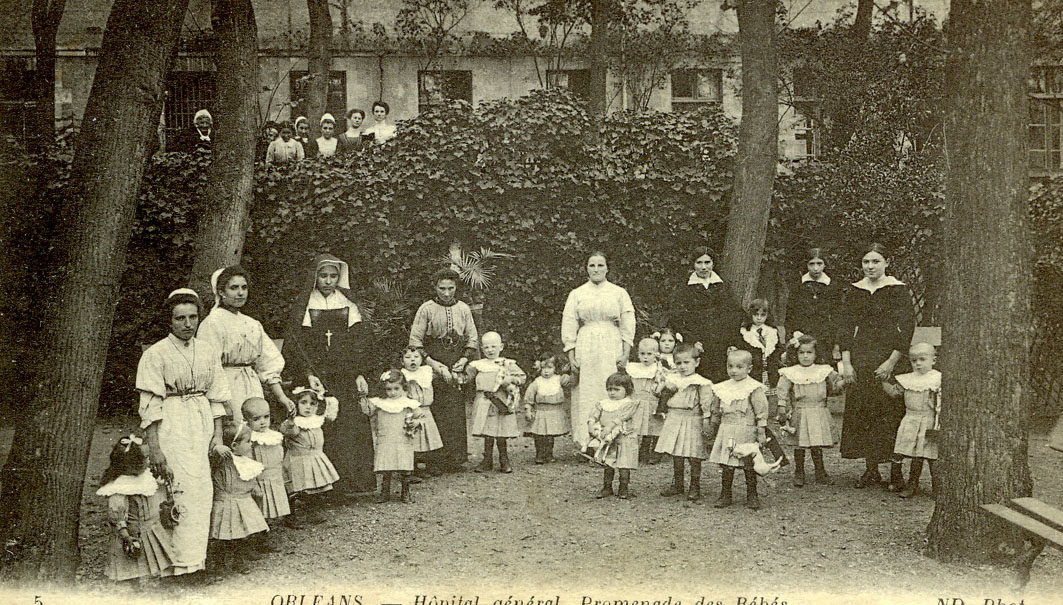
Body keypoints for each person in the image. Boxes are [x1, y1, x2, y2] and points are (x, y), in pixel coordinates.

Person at [136, 288, 230, 577]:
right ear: (170, 321)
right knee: (177, 491)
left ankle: (195, 562)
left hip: (201, 420)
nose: (188, 324)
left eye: (193, 317)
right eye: (180, 318)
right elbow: (150, 407)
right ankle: (174, 565)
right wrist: (155, 449)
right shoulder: (156, 354)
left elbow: (216, 397)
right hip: (173, 424)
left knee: (203, 492)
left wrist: (217, 436)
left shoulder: (207, 351)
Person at [284, 254, 375, 493]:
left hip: (345, 372)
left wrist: (358, 372)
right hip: (316, 374)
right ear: (315, 277)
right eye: (323, 276)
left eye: (333, 276)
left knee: (349, 424)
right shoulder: (305, 304)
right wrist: (307, 372)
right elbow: (297, 343)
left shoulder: (348, 302)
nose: (328, 281)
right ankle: (320, 487)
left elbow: (359, 341)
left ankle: (351, 483)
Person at [839, 243, 916, 491]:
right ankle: (871, 470)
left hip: (890, 356)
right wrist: (847, 363)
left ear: (886, 262)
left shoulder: (898, 290)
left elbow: (906, 328)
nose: (870, 266)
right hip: (862, 358)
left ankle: (896, 473)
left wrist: (891, 362)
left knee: (891, 413)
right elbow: (845, 328)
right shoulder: (854, 291)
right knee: (865, 413)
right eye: (866, 262)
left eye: (876, 261)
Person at [561, 252, 636, 452]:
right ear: (586, 268)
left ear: (607, 268)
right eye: (592, 265)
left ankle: (610, 440)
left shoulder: (618, 292)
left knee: (609, 387)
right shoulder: (577, 293)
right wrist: (571, 355)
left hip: (611, 345)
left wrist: (625, 353)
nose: (596, 269)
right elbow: (569, 324)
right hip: (585, 345)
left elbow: (628, 323)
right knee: (585, 392)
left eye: (600, 265)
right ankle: (586, 442)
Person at [197, 266, 293, 420]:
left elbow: (268, 361)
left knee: (256, 433)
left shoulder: (252, 324)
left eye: (244, 287)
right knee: (236, 434)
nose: (240, 293)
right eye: (234, 288)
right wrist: (221, 401)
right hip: (227, 389)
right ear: (221, 292)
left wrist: (281, 397)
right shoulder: (212, 323)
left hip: (252, 386)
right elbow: (209, 367)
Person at [409, 268, 479, 472]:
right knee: (435, 408)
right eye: (442, 288)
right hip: (434, 360)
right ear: (435, 287)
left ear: (456, 287)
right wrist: (433, 364)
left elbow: (472, 337)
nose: (446, 293)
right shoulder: (426, 308)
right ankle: (434, 460)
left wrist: (464, 359)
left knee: (455, 409)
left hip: (456, 358)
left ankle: (455, 458)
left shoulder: (464, 308)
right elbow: (415, 340)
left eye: (450, 288)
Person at [96, 434, 175, 581]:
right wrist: (126, 535)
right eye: (145, 458)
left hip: (150, 531)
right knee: (132, 571)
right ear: (131, 463)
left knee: (151, 568)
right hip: (132, 536)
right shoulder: (120, 486)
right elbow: (117, 515)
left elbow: (157, 493)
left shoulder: (146, 477)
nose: (148, 460)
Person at [668, 246, 745, 382]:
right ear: (693, 264)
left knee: (722, 378)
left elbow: (734, 314)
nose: (703, 267)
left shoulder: (723, 286)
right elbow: (677, 317)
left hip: (721, 341)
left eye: (707, 262)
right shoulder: (685, 288)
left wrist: (732, 341)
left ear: (713, 264)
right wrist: (692, 341)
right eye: (699, 263)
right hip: (698, 342)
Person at [707, 349, 771, 510]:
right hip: (727, 429)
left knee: (748, 463)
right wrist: (712, 426)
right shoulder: (721, 388)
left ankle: (752, 494)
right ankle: (725, 494)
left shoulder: (753, 388)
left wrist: (761, 431)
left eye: (739, 367)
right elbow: (716, 409)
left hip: (746, 430)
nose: (734, 370)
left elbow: (761, 411)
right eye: (730, 366)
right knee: (728, 463)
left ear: (749, 368)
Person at [776, 335, 843, 487]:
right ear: (796, 354)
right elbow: (782, 390)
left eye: (809, 352)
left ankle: (820, 472)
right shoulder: (790, 372)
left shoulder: (823, 371)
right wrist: (782, 408)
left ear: (816, 354)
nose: (805, 356)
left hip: (818, 410)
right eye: (801, 353)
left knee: (816, 443)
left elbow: (835, 385)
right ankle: (799, 472)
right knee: (800, 443)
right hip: (800, 411)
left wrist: (843, 381)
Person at [208, 419, 268, 575]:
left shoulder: (246, 460)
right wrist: (217, 449)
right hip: (227, 502)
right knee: (223, 536)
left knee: (242, 534)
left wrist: (255, 487)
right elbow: (213, 458)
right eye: (247, 441)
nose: (250, 444)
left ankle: (238, 561)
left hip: (243, 501)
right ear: (234, 446)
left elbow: (249, 476)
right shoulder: (225, 459)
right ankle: (220, 563)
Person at [655, 342, 713, 501]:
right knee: (676, 452)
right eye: (678, 363)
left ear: (697, 362)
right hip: (675, 417)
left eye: (686, 362)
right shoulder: (672, 379)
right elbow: (660, 396)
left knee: (693, 454)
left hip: (692, 418)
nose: (682, 366)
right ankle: (678, 484)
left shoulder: (701, 382)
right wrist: (661, 386)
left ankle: (695, 485)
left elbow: (706, 403)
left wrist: (706, 420)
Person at [883, 342, 940, 498]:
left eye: (922, 359)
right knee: (902, 450)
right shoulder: (908, 379)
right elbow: (895, 392)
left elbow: (940, 403)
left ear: (933, 360)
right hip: (910, 419)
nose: (918, 364)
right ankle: (902, 482)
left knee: (926, 454)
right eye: (914, 361)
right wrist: (882, 383)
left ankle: (937, 487)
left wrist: (938, 423)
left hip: (928, 420)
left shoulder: (936, 379)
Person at [468, 332, 527, 474]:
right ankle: (487, 460)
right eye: (486, 347)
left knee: (501, 432)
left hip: (500, 402)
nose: (490, 350)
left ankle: (504, 459)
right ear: (482, 349)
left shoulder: (506, 363)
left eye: (494, 346)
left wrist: (510, 379)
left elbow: (522, 377)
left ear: (501, 347)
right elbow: (467, 378)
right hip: (484, 401)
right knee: (488, 432)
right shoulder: (479, 365)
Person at [361, 370, 423, 503]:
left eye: (396, 388)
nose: (393, 392)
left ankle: (405, 493)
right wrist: (362, 397)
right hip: (386, 439)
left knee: (404, 466)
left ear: (403, 388)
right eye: (389, 389)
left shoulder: (408, 403)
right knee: (386, 467)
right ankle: (385, 493)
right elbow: (367, 411)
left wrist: (416, 422)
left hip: (402, 439)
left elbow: (421, 417)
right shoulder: (380, 402)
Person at [280, 384, 340, 521]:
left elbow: (331, 412)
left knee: (314, 487)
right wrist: (290, 420)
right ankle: (290, 516)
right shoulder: (294, 422)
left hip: (314, 457)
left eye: (313, 404)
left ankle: (311, 513)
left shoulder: (316, 421)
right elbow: (290, 432)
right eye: (303, 403)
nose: (308, 407)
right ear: (296, 404)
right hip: (298, 459)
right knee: (295, 488)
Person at [242, 397, 291, 541]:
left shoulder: (273, 436)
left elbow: (278, 457)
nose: (263, 422)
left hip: (273, 478)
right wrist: (254, 484)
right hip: (260, 481)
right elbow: (248, 463)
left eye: (266, 417)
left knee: (270, 508)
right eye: (256, 419)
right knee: (258, 511)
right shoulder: (251, 440)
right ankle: (257, 540)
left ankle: (265, 535)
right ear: (247, 421)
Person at [587, 372, 640, 499]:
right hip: (608, 438)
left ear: (626, 390)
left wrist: (609, 427)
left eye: (617, 389)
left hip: (624, 438)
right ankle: (607, 487)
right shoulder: (603, 403)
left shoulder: (629, 403)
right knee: (608, 463)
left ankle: (623, 488)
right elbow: (594, 414)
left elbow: (621, 417)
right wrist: (591, 423)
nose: (612, 392)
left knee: (624, 464)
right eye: (609, 389)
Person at [785, 247, 842, 362]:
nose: (816, 268)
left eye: (819, 263)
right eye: (811, 264)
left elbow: (838, 316)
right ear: (806, 265)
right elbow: (790, 313)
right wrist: (793, 334)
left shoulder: (833, 286)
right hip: (802, 336)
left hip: (825, 338)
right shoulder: (798, 285)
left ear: (825, 265)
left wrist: (836, 344)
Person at [399, 346, 444, 477]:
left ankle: (430, 465)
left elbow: (438, 374)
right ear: (402, 361)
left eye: (416, 357)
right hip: (410, 411)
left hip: (426, 410)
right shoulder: (403, 376)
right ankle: (412, 467)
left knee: (429, 438)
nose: (412, 360)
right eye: (408, 358)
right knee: (413, 440)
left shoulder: (426, 372)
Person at [522, 352, 573, 464]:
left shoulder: (559, 379)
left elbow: (571, 382)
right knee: (539, 436)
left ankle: (549, 454)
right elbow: (529, 396)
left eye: (549, 367)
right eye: (543, 368)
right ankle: (539, 454)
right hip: (541, 411)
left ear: (555, 368)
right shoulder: (537, 382)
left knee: (550, 436)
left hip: (554, 412)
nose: (546, 371)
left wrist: (567, 374)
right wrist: (528, 408)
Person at [627, 337, 663, 463]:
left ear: (656, 355)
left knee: (652, 427)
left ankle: (655, 451)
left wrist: (658, 388)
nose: (646, 357)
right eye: (642, 354)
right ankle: (640, 450)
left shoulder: (658, 369)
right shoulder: (634, 368)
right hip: (637, 401)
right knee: (638, 426)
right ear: (638, 354)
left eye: (649, 354)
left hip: (651, 401)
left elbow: (660, 384)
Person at [738, 299, 782, 390]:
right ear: (751, 315)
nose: (759, 318)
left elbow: (778, 349)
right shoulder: (745, 332)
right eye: (756, 315)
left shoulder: (772, 331)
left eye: (762, 315)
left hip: (770, 373)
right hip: (754, 373)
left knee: (771, 398)